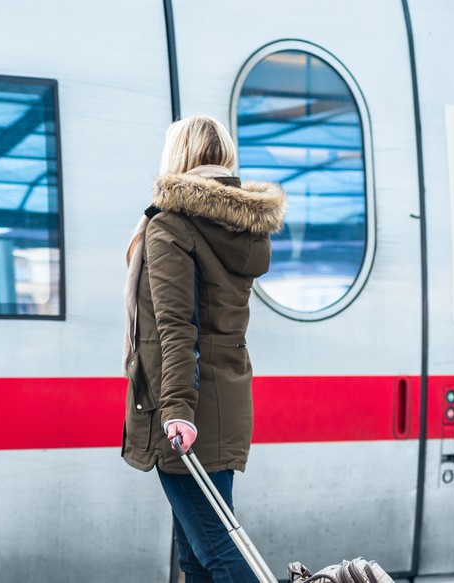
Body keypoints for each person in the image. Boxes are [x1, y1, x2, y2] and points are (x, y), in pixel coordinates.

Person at [121, 116, 287, 582]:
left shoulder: (171, 225)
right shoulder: (237, 228)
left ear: (177, 158)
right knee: (195, 555)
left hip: (186, 408)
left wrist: (176, 410)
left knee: (217, 550)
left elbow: (176, 327)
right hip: (221, 399)